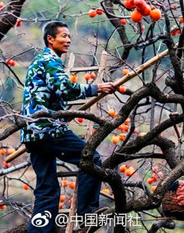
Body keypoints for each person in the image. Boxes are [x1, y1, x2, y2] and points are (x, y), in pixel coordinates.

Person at [21, 21, 116, 232]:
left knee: (47, 189)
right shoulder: (50, 60)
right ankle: (87, 214)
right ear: (50, 39)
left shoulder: (39, 61)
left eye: (69, 36)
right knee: (90, 157)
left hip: (31, 133)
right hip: (47, 129)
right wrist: (96, 87)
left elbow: (54, 93)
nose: (68, 40)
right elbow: (66, 89)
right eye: (63, 36)